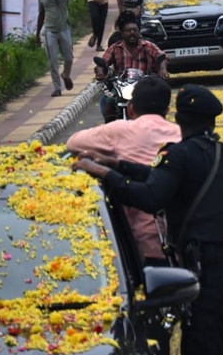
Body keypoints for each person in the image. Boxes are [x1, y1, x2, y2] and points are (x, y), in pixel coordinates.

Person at [73, 84, 223, 355]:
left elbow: (151, 196)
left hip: (207, 276)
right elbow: (170, 178)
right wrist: (121, 165)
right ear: (212, 120)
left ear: (178, 119)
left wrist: (107, 174)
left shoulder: (178, 156)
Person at [67, 76, 182, 264]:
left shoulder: (119, 130)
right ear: (167, 111)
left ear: (131, 108)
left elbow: (73, 143)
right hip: (182, 243)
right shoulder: (181, 134)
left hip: (144, 244)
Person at [36, 0, 104, 96]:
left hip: (64, 29)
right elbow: (41, 15)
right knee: (53, 61)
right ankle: (57, 87)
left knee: (69, 58)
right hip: (50, 31)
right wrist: (37, 34)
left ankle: (66, 74)